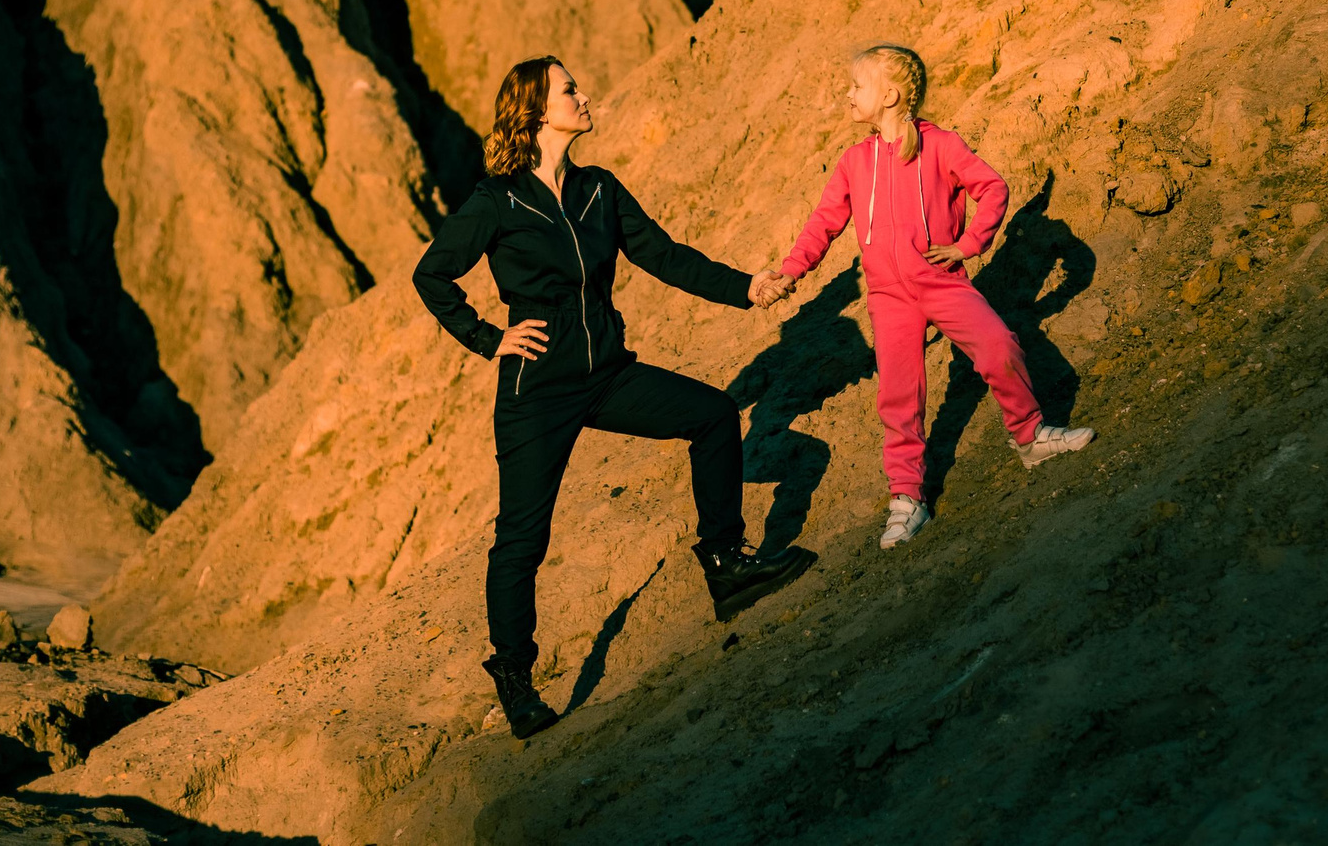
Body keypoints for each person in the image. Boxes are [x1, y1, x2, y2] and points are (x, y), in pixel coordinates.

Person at [413, 56, 813, 740]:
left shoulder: (598, 189)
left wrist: (746, 286)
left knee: (714, 414)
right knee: (522, 538)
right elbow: (432, 274)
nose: (585, 94)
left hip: (607, 373)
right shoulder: (497, 200)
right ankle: (515, 679)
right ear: (540, 112)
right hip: (535, 390)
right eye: (571, 89)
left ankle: (725, 563)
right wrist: (489, 337)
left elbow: (665, 254)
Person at [763, 44, 1092, 550]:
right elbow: (823, 224)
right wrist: (790, 272)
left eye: (857, 87)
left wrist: (967, 245)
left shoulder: (939, 146)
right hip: (888, 297)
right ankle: (907, 498)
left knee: (999, 346)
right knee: (899, 397)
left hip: (942, 281)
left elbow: (993, 188)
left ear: (889, 94)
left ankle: (1030, 436)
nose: (847, 94)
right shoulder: (854, 161)